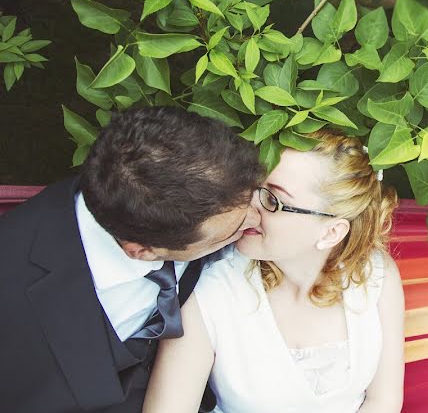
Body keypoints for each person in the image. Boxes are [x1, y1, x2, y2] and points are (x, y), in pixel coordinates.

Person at [0, 106, 263, 412]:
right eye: (230, 233)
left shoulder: (179, 201)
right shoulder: (12, 297)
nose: (258, 219)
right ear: (142, 251)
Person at [144, 129, 406, 413]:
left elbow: (383, 401)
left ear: (331, 232)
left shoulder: (376, 276)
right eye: (254, 186)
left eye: (272, 200)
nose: (247, 205)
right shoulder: (209, 289)